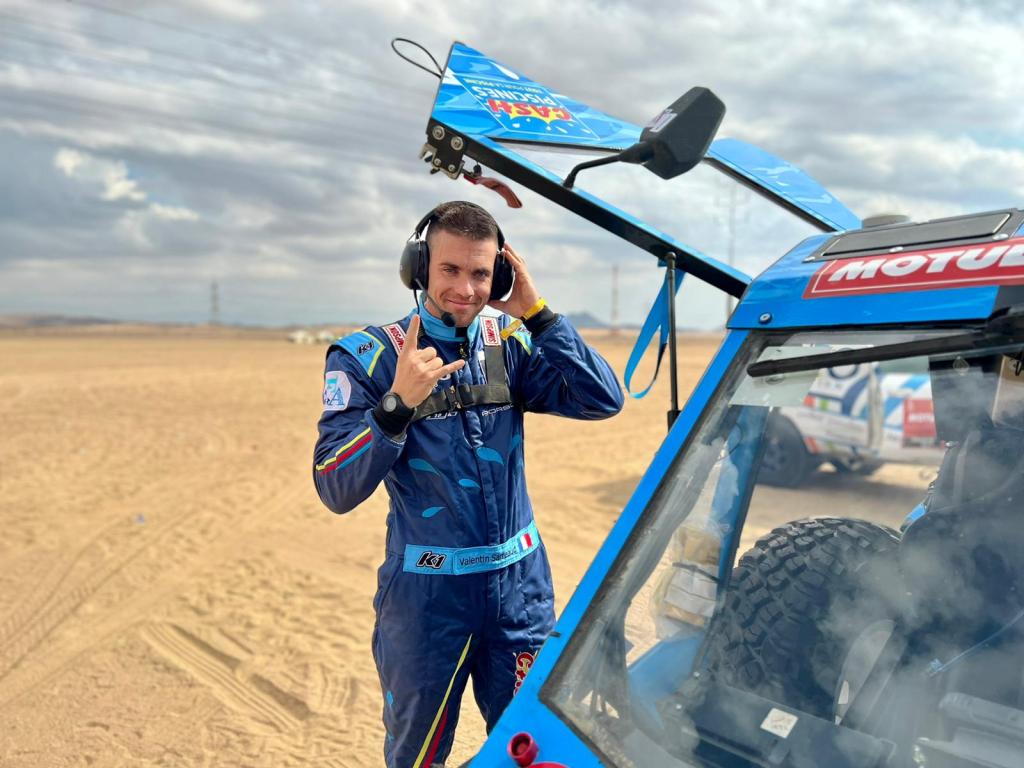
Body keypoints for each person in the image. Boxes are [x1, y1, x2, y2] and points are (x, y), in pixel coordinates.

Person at [312, 200, 624, 767]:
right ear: (418, 268)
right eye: (450, 269)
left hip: (520, 594)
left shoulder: (511, 344)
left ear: (500, 276)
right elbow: (334, 484)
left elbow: (603, 399)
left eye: (481, 273)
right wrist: (395, 407)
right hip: (428, 601)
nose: (466, 289)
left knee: (536, 747)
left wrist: (540, 316)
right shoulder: (369, 358)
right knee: (417, 755)